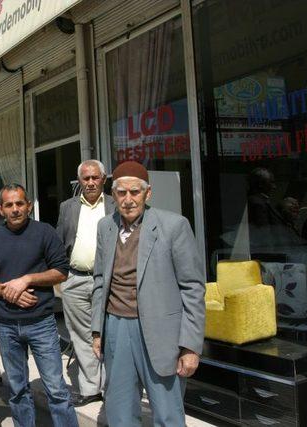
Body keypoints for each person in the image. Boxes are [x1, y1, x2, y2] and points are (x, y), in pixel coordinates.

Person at [91, 161, 205, 426]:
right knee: (119, 411)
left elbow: (193, 288)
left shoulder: (174, 226)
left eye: (135, 192)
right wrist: (97, 331)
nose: (128, 199)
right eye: (122, 193)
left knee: (167, 414)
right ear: (113, 194)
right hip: (116, 328)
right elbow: (99, 281)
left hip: (161, 332)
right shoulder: (105, 228)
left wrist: (190, 346)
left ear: (148, 193)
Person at [0, 184, 78, 427]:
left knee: (56, 389)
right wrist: (8, 292)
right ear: (1, 209)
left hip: (41, 323)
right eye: (9, 205)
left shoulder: (45, 232)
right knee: (18, 389)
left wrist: (27, 279)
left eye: (19, 203)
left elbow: (61, 271)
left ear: (29, 205)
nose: (15, 209)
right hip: (7, 326)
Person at [55, 159, 114, 407]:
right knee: (81, 334)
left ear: (104, 179)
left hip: (110, 280)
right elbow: (59, 240)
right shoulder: (67, 207)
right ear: (79, 181)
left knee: (110, 332)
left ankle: (112, 387)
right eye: (86, 178)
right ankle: (91, 388)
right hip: (75, 279)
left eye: (95, 178)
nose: (90, 182)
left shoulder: (115, 204)